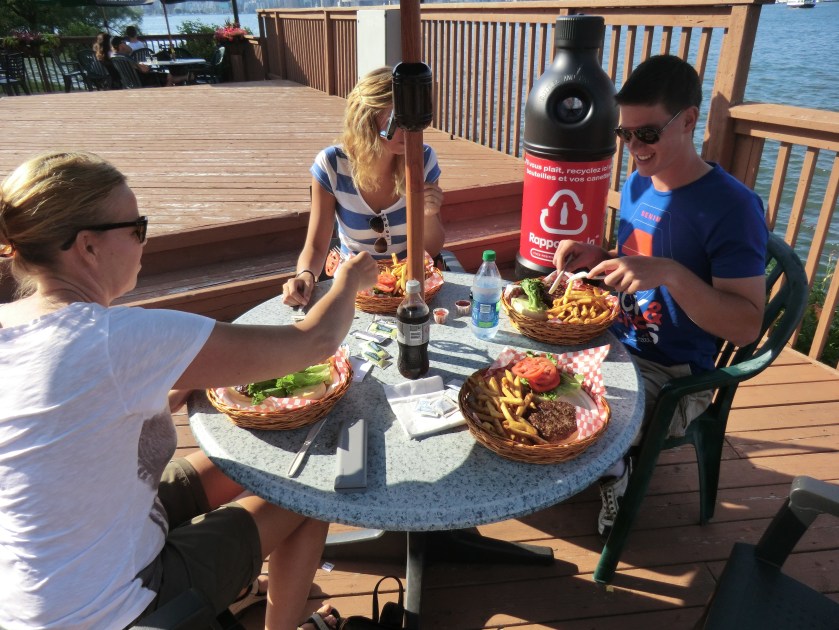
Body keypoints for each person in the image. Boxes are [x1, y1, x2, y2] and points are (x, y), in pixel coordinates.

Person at [0, 151, 377, 629]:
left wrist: (162, 392)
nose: (144, 241)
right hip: (115, 607)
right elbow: (314, 342)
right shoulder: (117, 339)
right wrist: (348, 280)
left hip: (35, 588)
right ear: (88, 246)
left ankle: (235, 585)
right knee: (308, 494)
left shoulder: (11, 323)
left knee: (236, 460)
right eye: (137, 228)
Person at [552, 55, 768, 538]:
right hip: (612, 341)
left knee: (578, 419)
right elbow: (639, 260)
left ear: (688, 120)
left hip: (674, 373)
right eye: (624, 134)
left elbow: (746, 325)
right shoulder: (638, 183)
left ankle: (616, 471)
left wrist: (671, 274)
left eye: (646, 134)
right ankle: (597, 460)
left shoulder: (732, 208)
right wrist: (597, 255)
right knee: (525, 374)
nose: (633, 148)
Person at [282, 66, 445, 309]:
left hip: (410, 285)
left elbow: (430, 249)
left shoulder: (422, 159)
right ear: (366, 120)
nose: (410, 130)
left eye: (413, 119)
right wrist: (305, 275)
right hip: (354, 289)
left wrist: (428, 214)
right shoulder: (332, 165)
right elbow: (316, 245)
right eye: (398, 120)